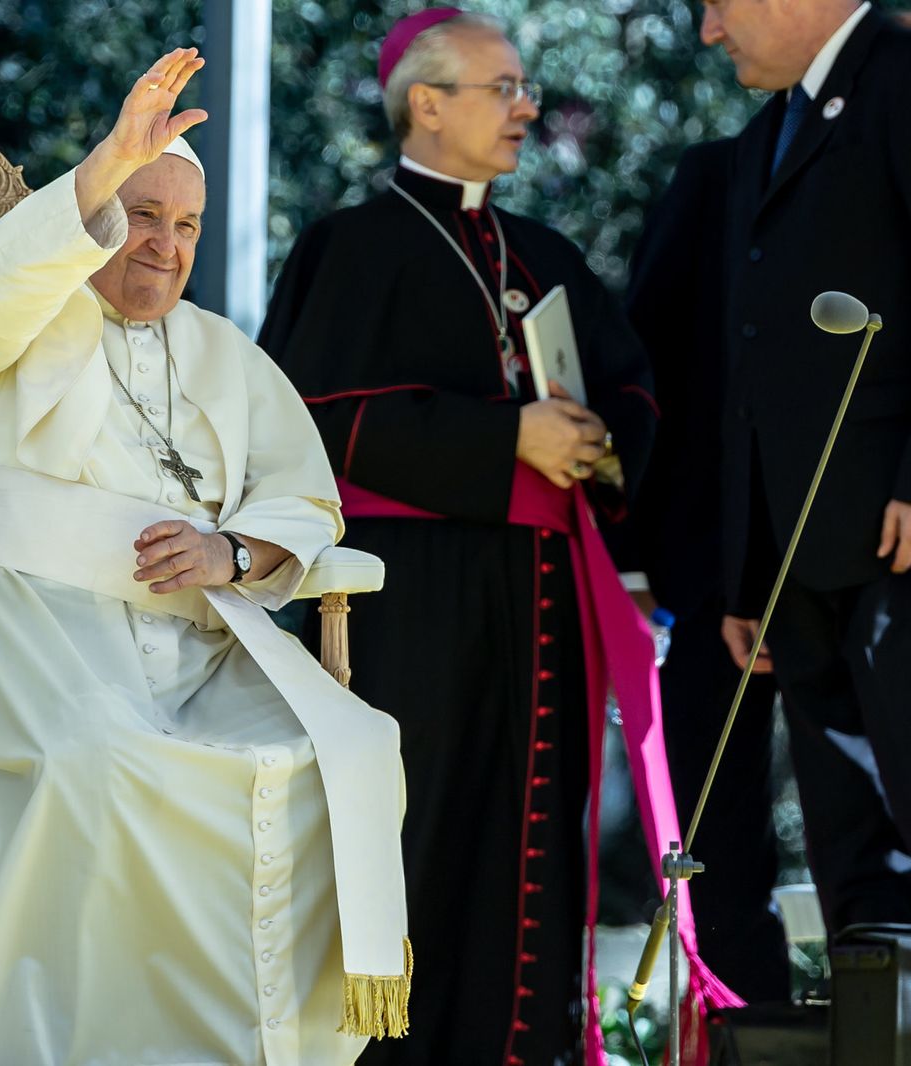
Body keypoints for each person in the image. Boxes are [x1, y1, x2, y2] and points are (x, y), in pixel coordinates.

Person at [0, 49, 410, 1066]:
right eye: (145, 213)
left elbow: (305, 494)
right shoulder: (8, 301)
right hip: (20, 626)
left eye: (186, 225)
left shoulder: (222, 350)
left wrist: (231, 549)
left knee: (346, 754)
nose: (166, 245)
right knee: (102, 766)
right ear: (96, 208)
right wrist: (105, 166)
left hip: (193, 644)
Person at [260, 10, 665, 1064]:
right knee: (420, 843)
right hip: (413, 607)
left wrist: (593, 440)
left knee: (527, 858)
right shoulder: (347, 249)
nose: (526, 107)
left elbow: (632, 396)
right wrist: (504, 439)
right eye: (503, 87)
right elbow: (310, 419)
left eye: (526, 88)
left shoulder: (546, 253)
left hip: (541, 598)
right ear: (426, 103)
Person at [702, 0, 911, 935]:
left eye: (716, 4)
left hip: (893, 542)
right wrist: (754, 569)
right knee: (859, 882)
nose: (709, 30)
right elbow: (757, 366)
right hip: (803, 559)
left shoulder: (902, 82)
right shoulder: (765, 130)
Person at [622, 138, 790, 1003]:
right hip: (706, 565)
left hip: (872, 559)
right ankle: (744, 1032)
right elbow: (648, 359)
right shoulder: (720, 172)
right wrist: (639, 559)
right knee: (717, 828)